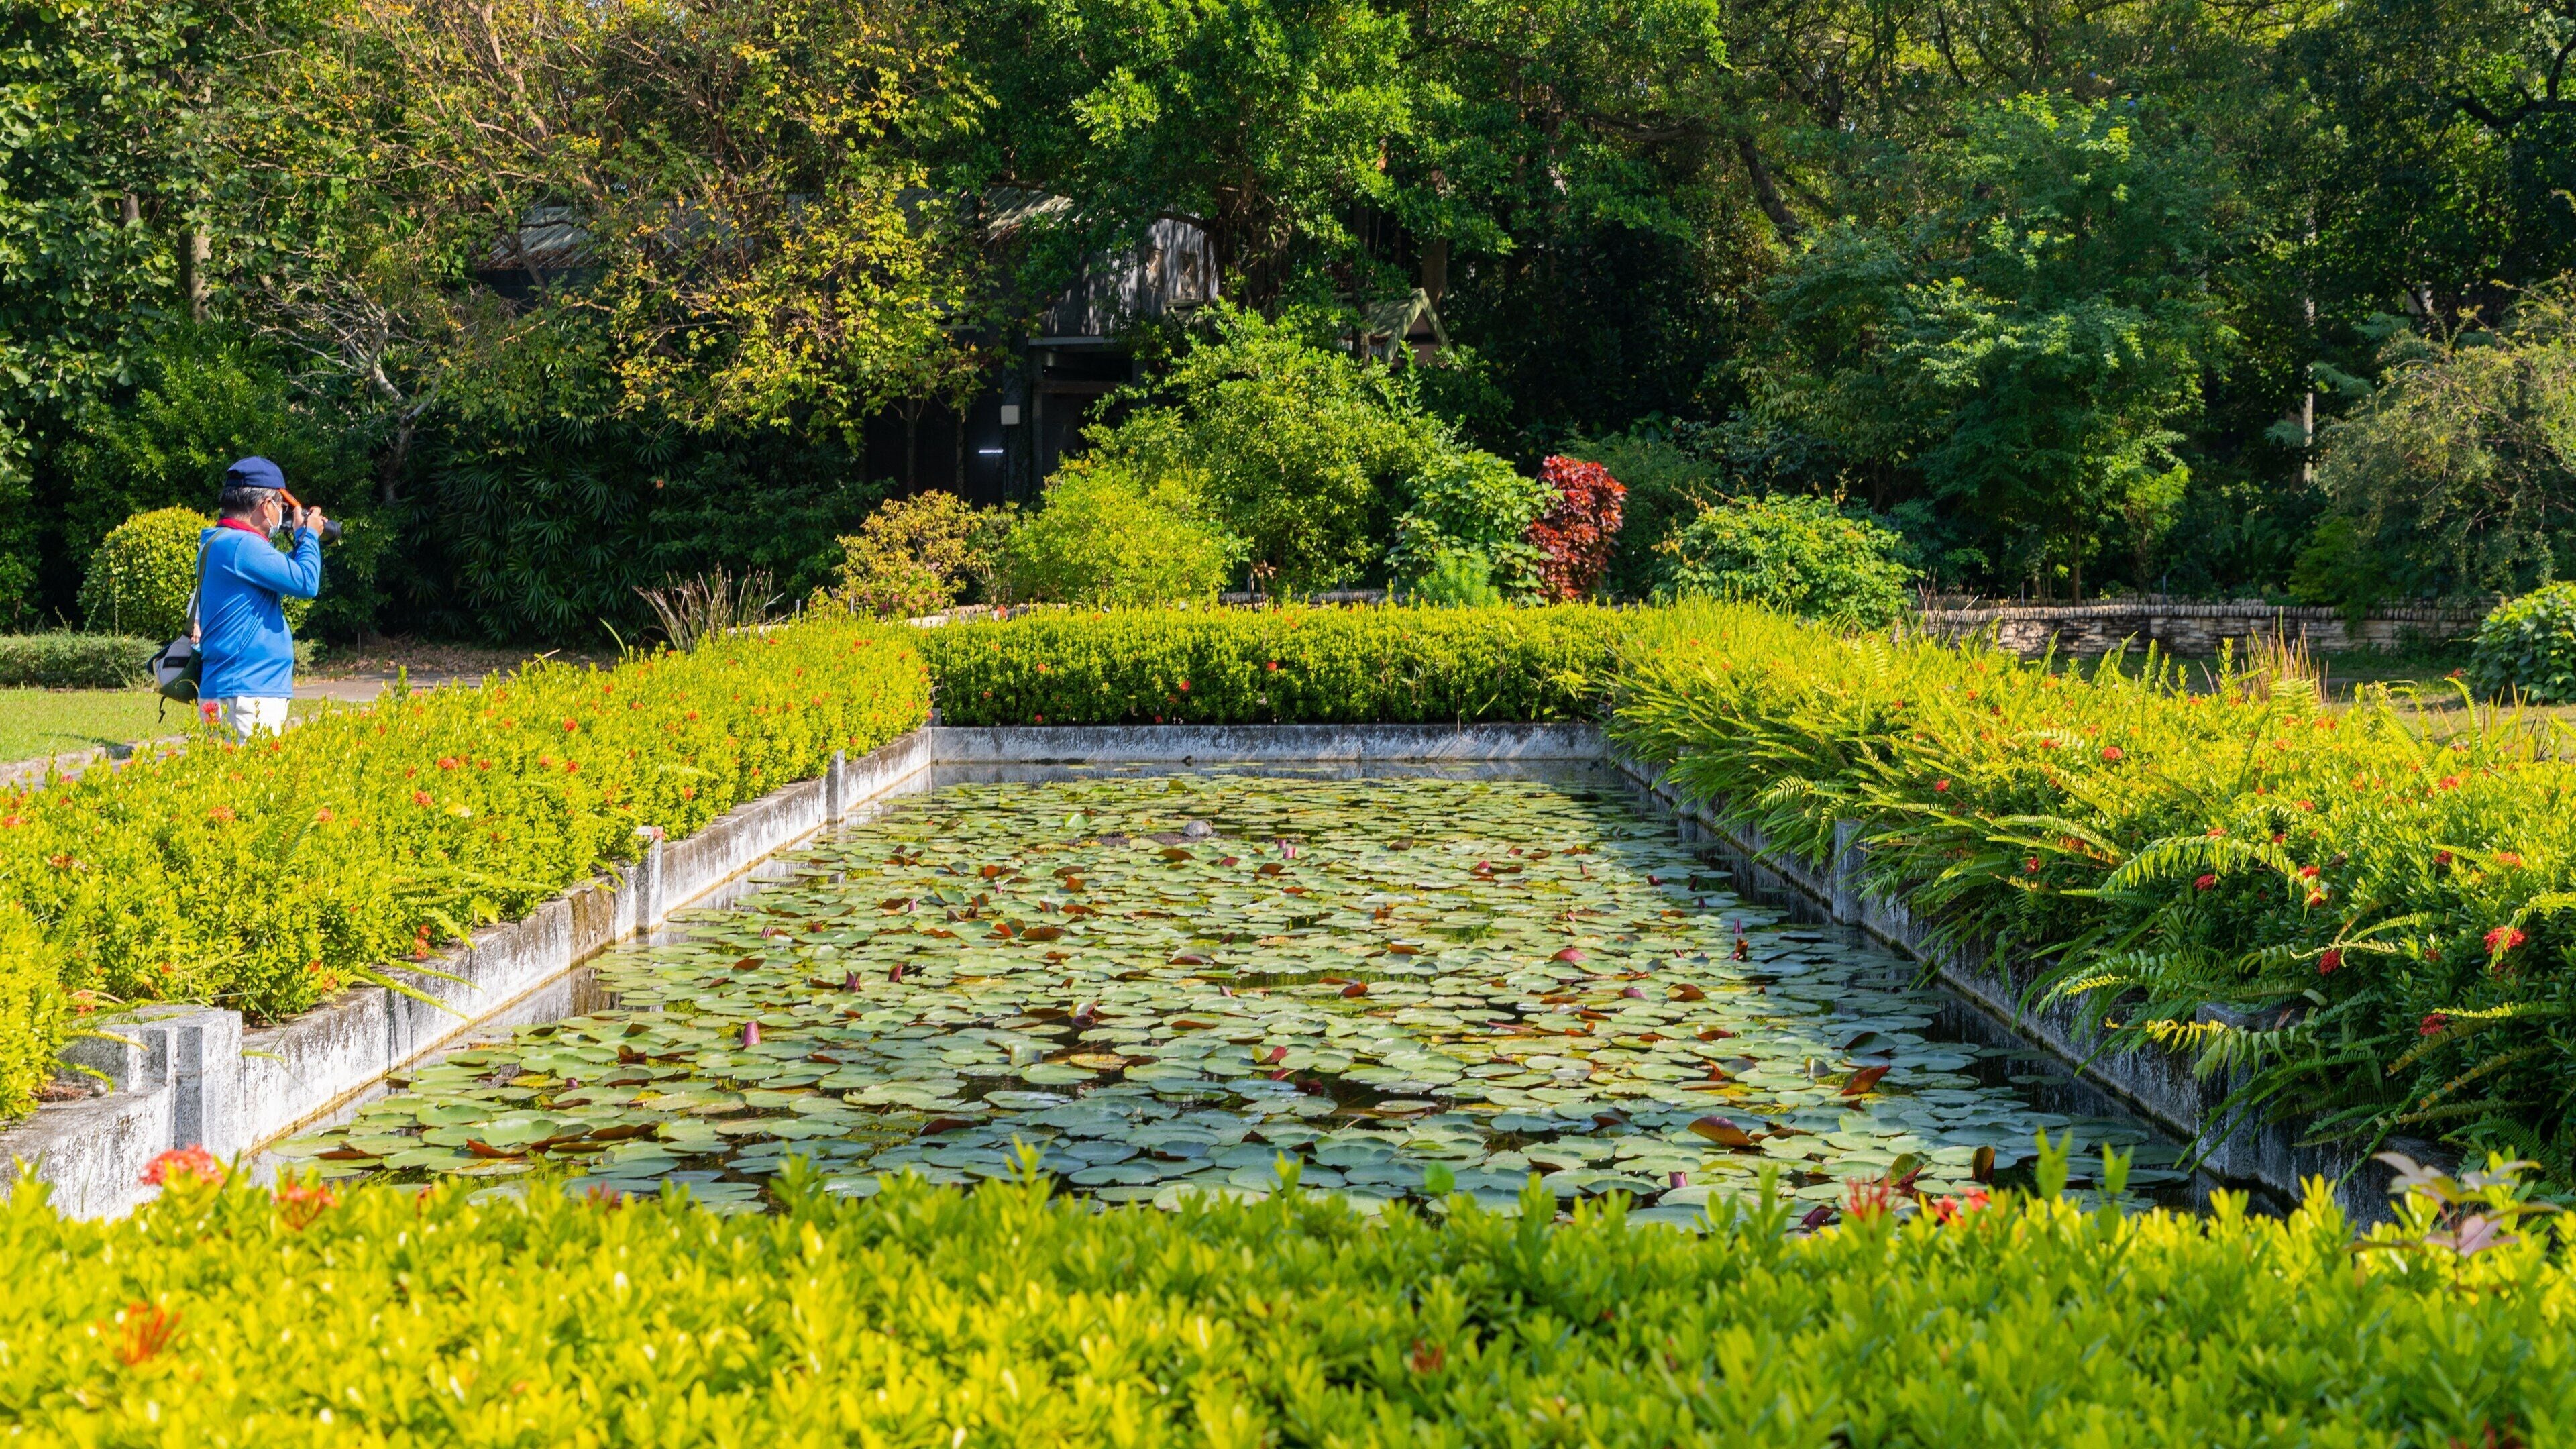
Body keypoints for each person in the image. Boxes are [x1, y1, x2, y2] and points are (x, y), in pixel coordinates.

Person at [195, 457, 327, 741]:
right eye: (280, 507)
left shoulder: (222, 541)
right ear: (266, 506)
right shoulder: (243, 545)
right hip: (247, 694)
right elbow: (305, 582)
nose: (282, 514)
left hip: (236, 690)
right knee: (253, 781)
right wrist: (308, 536)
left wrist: (306, 539)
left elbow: (287, 572)